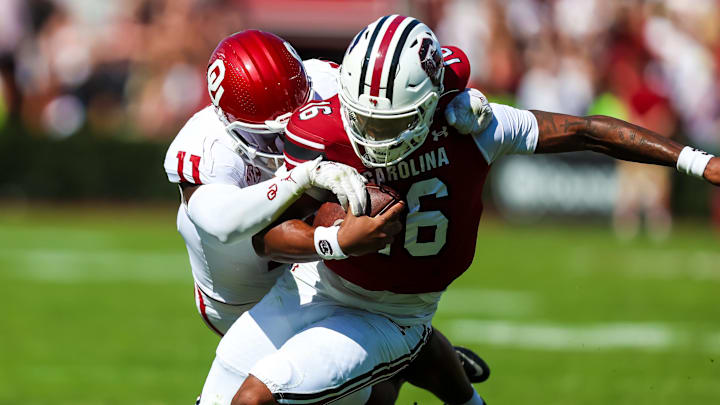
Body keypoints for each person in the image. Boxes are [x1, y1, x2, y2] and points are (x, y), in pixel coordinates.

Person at [200, 15, 720, 405]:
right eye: (364, 119)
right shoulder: (325, 127)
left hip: (393, 314)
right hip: (312, 286)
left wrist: (698, 161)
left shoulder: (474, 127)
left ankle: (420, 363)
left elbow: (587, 130)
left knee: (255, 400)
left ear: (428, 105)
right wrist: (333, 238)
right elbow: (266, 236)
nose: (372, 138)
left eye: (390, 124)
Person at [166, 30, 494, 404]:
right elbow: (224, 224)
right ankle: (405, 366)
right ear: (229, 122)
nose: (292, 138)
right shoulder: (204, 146)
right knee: (364, 393)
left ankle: (412, 365)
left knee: (386, 324)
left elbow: (409, 76)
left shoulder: (326, 80)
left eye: (298, 116)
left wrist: (452, 100)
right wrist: (298, 178)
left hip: (312, 277)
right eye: (273, 137)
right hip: (241, 296)